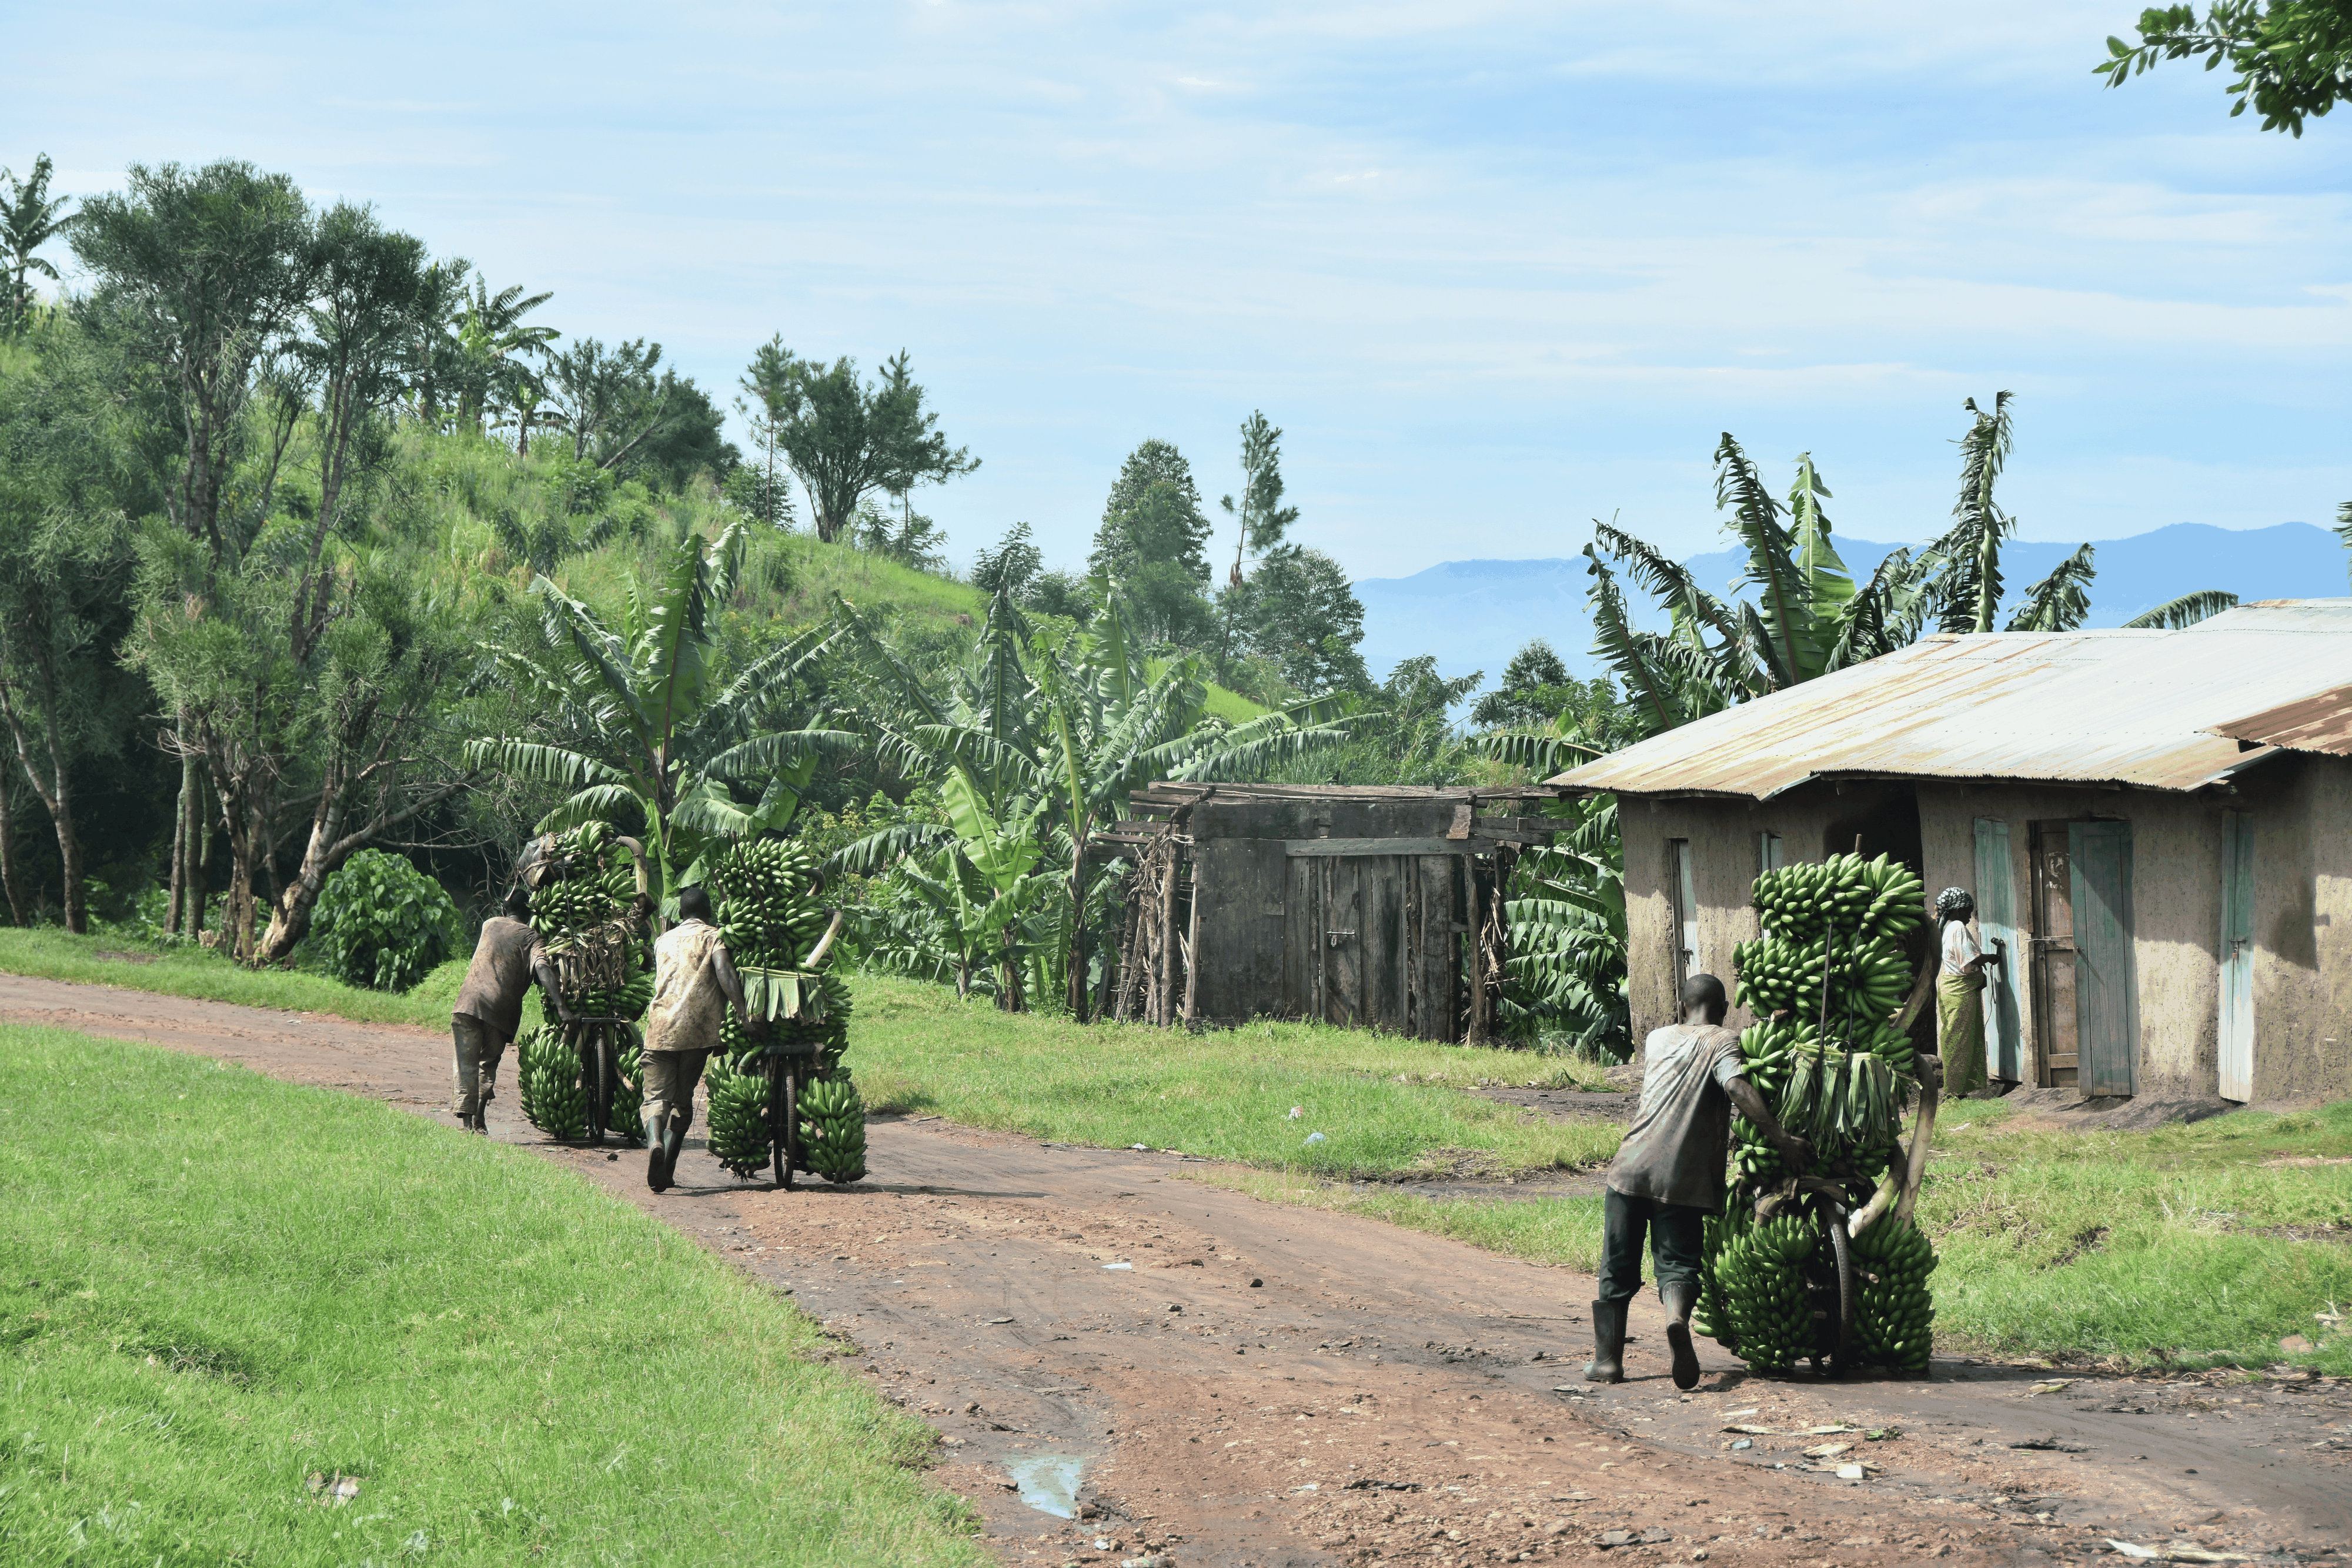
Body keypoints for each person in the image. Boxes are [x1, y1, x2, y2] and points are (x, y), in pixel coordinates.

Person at [1587, 974, 1812, 1389]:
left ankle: (1607, 1362)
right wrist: (1782, 1139)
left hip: (1629, 1169)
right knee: (1677, 1265)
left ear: (1681, 1006)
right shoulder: (1723, 1040)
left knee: (1616, 1269)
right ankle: (1676, 1319)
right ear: (1724, 1009)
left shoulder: (1656, 1039)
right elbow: (1736, 1087)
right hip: (1682, 1178)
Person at [642, 883, 762, 1192]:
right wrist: (742, 1012)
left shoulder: (663, 940)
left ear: (680, 913)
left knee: (655, 1098)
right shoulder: (713, 936)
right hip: (696, 1033)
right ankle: (667, 1165)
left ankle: (655, 1141)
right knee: (683, 1100)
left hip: (659, 1028)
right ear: (709, 913)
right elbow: (724, 970)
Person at [450, 885, 568, 1134]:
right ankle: (479, 1121)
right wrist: (561, 1006)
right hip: (499, 1010)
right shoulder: (533, 937)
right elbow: (542, 970)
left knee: (465, 1064)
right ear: (530, 913)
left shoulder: (489, 924)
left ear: (505, 909)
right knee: (488, 1063)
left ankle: (465, 1125)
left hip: (467, 1004)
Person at [1934, 887, 2002, 1096]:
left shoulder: (1947, 928)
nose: (1970, 916)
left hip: (1951, 989)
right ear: (1956, 911)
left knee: (1957, 1036)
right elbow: (1970, 959)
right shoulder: (1957, 928)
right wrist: (1990, 957)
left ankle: (1962, 1087)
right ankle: (1955, 1090)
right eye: (1966, 911)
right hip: (1959, 992)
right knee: (1960, 1039)